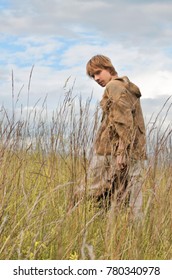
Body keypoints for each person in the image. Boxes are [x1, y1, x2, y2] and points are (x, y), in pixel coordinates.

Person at [77, 55, 147, 217]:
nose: (96, 78)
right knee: (130, 197)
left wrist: (121, 151)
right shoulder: (127, 87)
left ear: (108, 68)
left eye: (98, 72)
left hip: (111, 150)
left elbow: (123, 121)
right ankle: (131, 233)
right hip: (135, 150)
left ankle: (77, 221)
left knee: (89, 189)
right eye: (92, 76)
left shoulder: (113, 87)